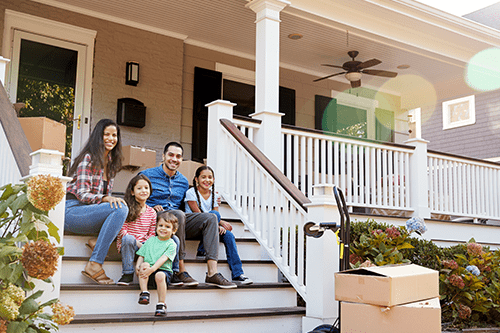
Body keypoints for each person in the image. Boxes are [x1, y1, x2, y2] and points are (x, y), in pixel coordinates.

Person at [140, 142, 236, 289]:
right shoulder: (147, 175)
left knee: (211, 217)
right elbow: (134, 197)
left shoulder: (183, 181)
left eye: (178, 156)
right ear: (163, 156)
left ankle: (212, 273)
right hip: (157, 219)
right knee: (178, 214)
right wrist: (151, 207)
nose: (174, 159)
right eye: (171, 155)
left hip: (179, 220)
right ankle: (179, 270)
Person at [65, 118, 128, 285]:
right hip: (72, 211)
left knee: (125, 209)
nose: (111, 138)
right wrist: (105, 198)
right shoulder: (88, 158)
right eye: (106, 134)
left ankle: (98, 241)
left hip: (90, 213)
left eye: (114, 135)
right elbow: (82, 194)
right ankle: (95, 264)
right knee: (120, 209)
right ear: (98, 137)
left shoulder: (111, 163)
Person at [186, 166, 253, 285]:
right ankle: (202, 250)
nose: (207, 180)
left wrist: (221, 223)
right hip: (195, 227)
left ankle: (238, 274)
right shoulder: (191, 193)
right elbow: (199, 214)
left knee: (229, 235)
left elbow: (215, 216)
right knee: (214, 214)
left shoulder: (215, 195)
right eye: (203, 177)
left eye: (210, 177)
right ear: (196, 179)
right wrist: (217, 225)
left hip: (210, 229)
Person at [115, 174, 157, 285]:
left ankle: (152, 276)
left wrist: (146, 246)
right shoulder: (126, 208)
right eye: (139, 188)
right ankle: (127, 273)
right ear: (132, 192)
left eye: (146, 188)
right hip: (129, 244)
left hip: (145, 245)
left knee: (155, 242)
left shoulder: (152, 212)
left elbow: (151, 233)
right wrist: (138, 244)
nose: (143, 191)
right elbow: (122, 231)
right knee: (128, 238)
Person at [136, 211, 178, 316]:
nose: (163, 229)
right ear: (156, 227)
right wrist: (138, 266)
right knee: (144, 265)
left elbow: (163, 258)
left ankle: (161, 304)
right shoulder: (150, 241)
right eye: (160, 225)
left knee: (159, 275)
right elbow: (142, 255)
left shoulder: (171, 244)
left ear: (174, 230)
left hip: (163, 273)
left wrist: (153, 269)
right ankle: (144, 293)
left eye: (167, 227)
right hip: (148, 274)